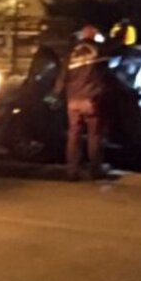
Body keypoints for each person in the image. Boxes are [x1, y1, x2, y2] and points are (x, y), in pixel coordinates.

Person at [52, 24, 111, 181]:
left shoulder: (71, 52)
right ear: (94, 35)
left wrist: (54, 96)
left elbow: (62, 76)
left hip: (73, 100)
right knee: (94, 135)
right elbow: (107, 74)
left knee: (74, 134)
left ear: (82, 35)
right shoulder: (99, 50)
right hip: (91, 99)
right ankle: (95, 170)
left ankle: (72, 171)